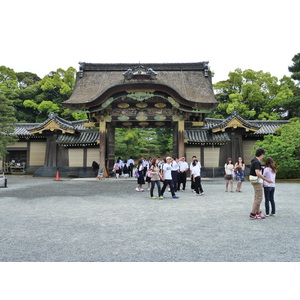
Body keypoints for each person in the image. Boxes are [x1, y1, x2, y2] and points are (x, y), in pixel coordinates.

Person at [249, 148, 273, 220]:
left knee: (257, 197)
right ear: (261, 154)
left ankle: (257, 212)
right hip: (257, 181)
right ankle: (253, 213)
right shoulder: (256, 162)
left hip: (255, 181)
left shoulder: (254, 160)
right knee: (259, 198)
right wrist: (266, 179)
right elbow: (258, 173)